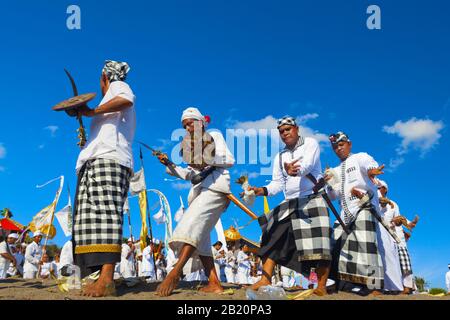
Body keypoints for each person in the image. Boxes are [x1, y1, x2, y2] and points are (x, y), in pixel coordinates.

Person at [248, 116, 332, 296]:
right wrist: (259, 190)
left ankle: (321, 284)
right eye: (281, 131)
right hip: (290, 202)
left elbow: (307, 165)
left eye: (288, 129)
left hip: (312, 198)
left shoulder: (310, 143)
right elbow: (277, 184)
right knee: (271, 235)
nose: (284, 133)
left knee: (319, 244)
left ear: (297, 129)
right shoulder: (280, 156)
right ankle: (265, 277)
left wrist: (295, 170)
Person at [155, 107, 235, 296]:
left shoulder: (213, 134)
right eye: (184, 125)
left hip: (216, 189)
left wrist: (206, 159)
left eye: (190, 122)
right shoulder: (192, 144)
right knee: (203, 240)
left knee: (191, 224)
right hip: (201, 191)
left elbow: (229, 160)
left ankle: (176, 272)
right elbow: (189, 174)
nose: (187, 127)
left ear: (200, 122)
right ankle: (215, 283)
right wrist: (169, 164)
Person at [73, 60, 135, 297]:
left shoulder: (117, 87)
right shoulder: (106, 101)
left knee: (107, 213)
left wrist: (90, 111)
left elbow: (127, 99)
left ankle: (107, 278)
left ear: (104, 77)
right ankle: (98, 274)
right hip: (96, 159)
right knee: (88, 218)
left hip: (110, 158)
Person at [326, 131, 384, 295]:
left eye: (341, 145)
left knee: (367, 245)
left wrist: (372, 171)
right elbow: (333, 195)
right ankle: (340, 283)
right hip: (344, 213)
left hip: (364, 206)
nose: (338, 149)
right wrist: (327, 184)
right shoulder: (335, 170)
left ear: (349, 144)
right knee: (335, 244)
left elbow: (370, 166)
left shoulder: (360, 157)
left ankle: (374, 287)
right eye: (335, 147)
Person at [376, 180, 404, 293]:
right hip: (375, 226)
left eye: (380, 188)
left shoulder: (394, 204)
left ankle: (394, 287)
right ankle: (378, 286)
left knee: (389, 257)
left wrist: (397, 221)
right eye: (377, 188)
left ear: (385, 189)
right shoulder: (373, 199)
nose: (378, 190)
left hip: (388, 233)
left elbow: (398, 221)